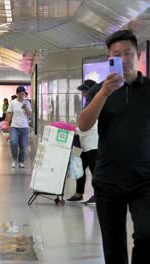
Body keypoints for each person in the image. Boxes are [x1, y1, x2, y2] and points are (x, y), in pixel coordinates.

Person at [78, 29, 150, 264]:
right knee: (113, 244)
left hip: (145, 179)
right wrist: (105, 93)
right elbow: (84, 124)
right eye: (117, 54)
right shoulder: (100, 90)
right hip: (109, 179)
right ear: (109, 58)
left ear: (137, 55)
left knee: (146, 235)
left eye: (128, 53)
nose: (124, 59)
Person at [67, 80, 98, 205]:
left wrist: (77, 130)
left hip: (93, 143)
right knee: (78, 168)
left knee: (95, 171)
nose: (84, 93)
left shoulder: (97, 103)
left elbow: (91, 124)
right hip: (82, 142)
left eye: (85, 91)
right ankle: (78, 194)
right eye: (83, 91)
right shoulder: (88, 103)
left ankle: (98, 196)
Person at [5, 86, 32, 168]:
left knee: (23, 145)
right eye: (19, 94)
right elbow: (9, 113)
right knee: (13, 142)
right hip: (14, 126)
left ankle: (21, 161)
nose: (21, 96)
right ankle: (14, 159)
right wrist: (7, 124)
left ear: (25, 94)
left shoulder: (27, 103)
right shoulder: (12, 103)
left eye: (23, 94)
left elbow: (30, 114)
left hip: (24, 126)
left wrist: (26, 108)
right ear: (16, 94)